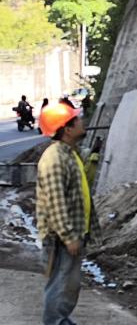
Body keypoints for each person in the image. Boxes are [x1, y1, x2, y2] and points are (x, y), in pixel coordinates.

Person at [36, 102, 99, 325]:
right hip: (61, 238)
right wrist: (69, 236)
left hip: (73, 231)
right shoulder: (54, 159)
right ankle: (55, 322)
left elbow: (80, 188)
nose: (82, 122)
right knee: (60, 284)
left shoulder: (70, 154)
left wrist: (90, 164)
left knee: (69, 285)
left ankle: (60, 320)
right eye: (77, 120)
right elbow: (56, 202)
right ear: (67, 129)